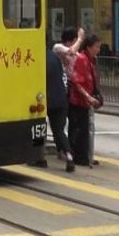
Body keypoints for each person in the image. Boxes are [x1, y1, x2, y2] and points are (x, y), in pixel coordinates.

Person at [68, 32, 102, 167]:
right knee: (80, 131)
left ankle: (86, 156)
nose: (98, 50)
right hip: (78, 101)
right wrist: (87, 96)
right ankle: (79, 157)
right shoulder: (82, 59)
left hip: (86, 102)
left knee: (85, 130)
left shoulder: (91, 60)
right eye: (96, 47)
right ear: (88, 47)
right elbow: (77, 82)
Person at [45, 36, 74, 172]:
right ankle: (69, 156)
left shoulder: (38, 57)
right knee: (59, 131)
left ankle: (39, 157)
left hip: (47, 99)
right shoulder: (55, 57)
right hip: (62, 98)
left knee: (38, 129)